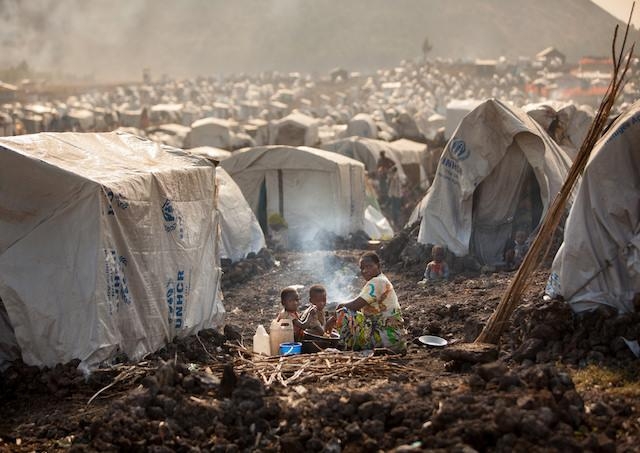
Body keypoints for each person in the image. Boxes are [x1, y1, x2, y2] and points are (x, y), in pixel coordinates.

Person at [326, 251, 407, 353]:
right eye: (362, 268)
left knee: (344, 312)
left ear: (378, 265)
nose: (365, 271)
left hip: (386, 337)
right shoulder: (381, 280)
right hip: (395, 339)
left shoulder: (377, 282)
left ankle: (343, 346)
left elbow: (355, 305)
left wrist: (335, 314)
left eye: (369, 266)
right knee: (351, 314)